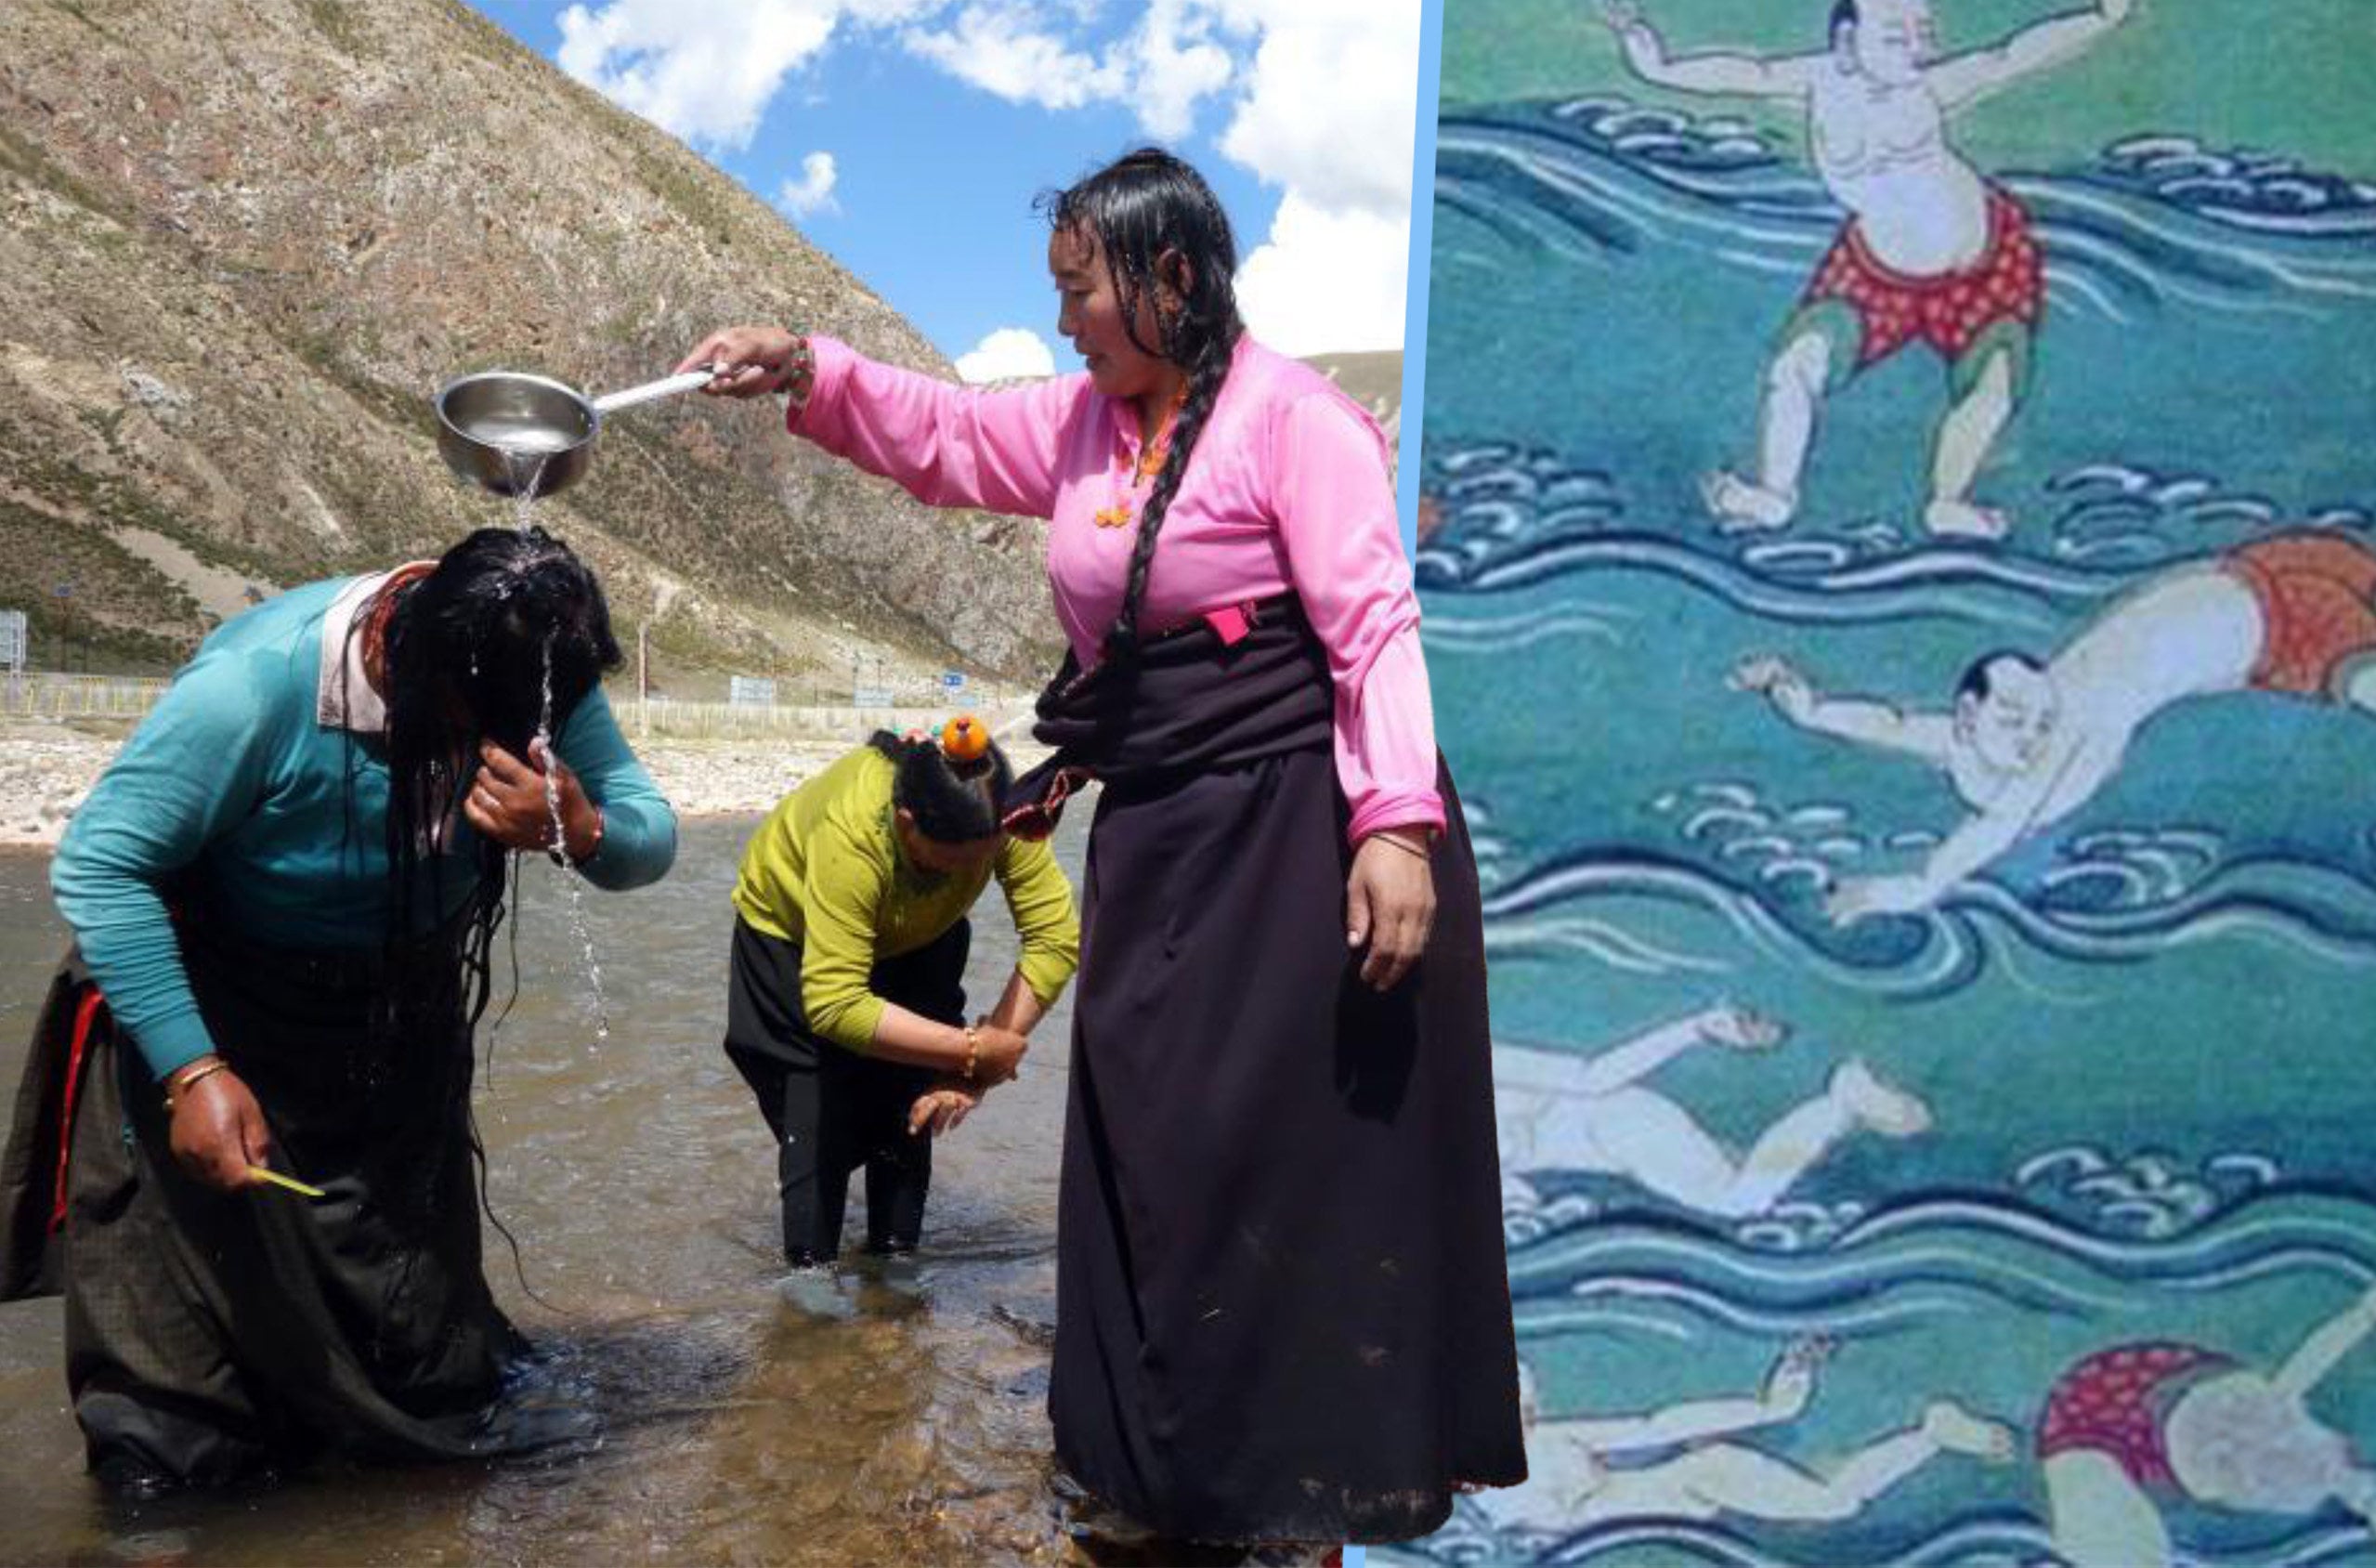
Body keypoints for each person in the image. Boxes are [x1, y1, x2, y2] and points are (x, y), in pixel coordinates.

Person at [676, 148, 1525, 1547]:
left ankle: (1293, 1485)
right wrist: (807, 370)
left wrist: (1396, 834)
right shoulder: (1082, 428)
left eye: (1080, 290)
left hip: (1298, 837)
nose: (1065, 320)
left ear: (1169, 278)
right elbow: (945, 437)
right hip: (1164, 839)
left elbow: (1373, 633)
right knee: (1150, 1143)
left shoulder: (1298, 423)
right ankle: (1155, 1469)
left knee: (1284, 1161)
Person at [0, 528, 675, 1493]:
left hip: (395, 1018)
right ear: (393, 657)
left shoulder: (532, 666)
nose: (482, 750)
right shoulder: (257, 688)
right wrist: (191, 1067)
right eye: (457, 725)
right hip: (207, 1001)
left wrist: (579, 825)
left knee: (419, 1352)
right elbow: (102, 862)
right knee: (179, 1394)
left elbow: (648, 840)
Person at [1733, 497, 2376, 917]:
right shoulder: (1972, 737)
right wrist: (1801, 704)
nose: (2035, 728)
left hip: (2282, 621)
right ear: (1968, 718)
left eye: (2037, 713)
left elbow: (1996, 828)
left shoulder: (2063, 739)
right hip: (2265, 590)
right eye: (2016, 719)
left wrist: (1906, 889)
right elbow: (1892, 725)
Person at [1598, 0, 2134, 539]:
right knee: (1795, 367)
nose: (1921, 48)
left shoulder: (1929, 87)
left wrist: (2104, 16)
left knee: (1992, 386)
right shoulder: (1817, 80)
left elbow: (2011, 56)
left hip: (1986, 261)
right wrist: (1647, 52)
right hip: (1876, 271)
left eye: (1925, 33)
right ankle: (1773, 495)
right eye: (1900, 35)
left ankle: (1949, 500)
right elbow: (1729, 74)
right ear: (1849, 40)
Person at [723, 714, 1077, 1303]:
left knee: (912, 1101)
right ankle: (809, 1290)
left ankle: (895, 1266)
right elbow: (835, 1003)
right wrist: (969, 1046)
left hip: (918, 938)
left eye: (981, 864)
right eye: (949, 864)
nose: (964, 879)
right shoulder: (855, 834)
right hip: (793, 939)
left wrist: (975, 1066)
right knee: (817, 1115)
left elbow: (1054, 937)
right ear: (908, 824)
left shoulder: (1003, 816)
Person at [2038, 1284, 2376, 1567]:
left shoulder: (2296, 1449)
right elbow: (2322, 1354)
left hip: (2142, 1407)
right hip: (2112, 1406)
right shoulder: (2271, 1414)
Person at [1482, 1338, 2015, 1533]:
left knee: (1834, 1505)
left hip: (1697, 1483)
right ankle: (1932, 1434)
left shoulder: (1548, 1441)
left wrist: (1771, 1403)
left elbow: (1658, 1426)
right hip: (1679, 1499)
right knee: (1835, 1503)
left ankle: (1932, 1434)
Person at [1495, 1003, 1929, 1218]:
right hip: (1622, 1149)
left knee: (1738, 1201)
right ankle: (1837, 1111)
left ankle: (1841, 1104)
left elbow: (1593, 1076)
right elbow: (1522, 1199)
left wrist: (1697, 1029)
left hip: (1626, 1127)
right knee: (1746, 1174)